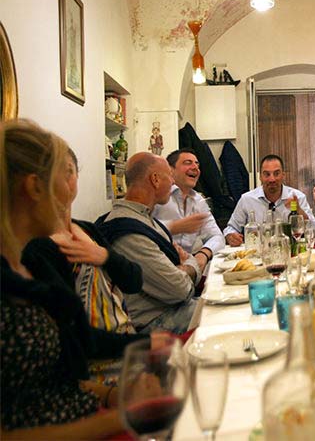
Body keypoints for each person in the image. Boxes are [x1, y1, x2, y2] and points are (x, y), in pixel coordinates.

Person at [0, 119, 147, 437]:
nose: (68, 190)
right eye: (60, 175)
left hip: (93, 407)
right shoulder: (30, 260)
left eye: (72, 173)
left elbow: (57, 378)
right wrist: (123, 417)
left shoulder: (20, 268)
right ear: (35, 187)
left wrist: (113, 398)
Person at [98, 152, 203, 334]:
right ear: (155, 179)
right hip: (154, 323)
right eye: (169, 176)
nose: (172, 182)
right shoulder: (127, 231)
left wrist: (184, 266)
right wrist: (189, 266)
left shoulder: (147, 221)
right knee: (225, 316)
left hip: (173, 307)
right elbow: (181, 289)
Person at [50, 148, 142, 335]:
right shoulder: (41, 243)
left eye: (69, 170)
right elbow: (74, 332)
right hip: (100, 356)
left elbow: (134, 280)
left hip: (126, 334)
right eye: (54, 170)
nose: (64, 178)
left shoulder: (86, 229)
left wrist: (105, 256)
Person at [153, 148, 224, 268]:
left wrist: (204, 254)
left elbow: (217, 236)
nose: (195, 167)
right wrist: (173, 227)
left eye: (197, 164)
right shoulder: (157, 196)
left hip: (189, 266)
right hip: (159, 266)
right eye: (187, 163)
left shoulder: (198, 200)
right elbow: (138, 230)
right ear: (170, 169)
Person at [224, 154, 315, 246]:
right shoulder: (247, 199)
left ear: (283, 175)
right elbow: (231, 228)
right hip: (257, 255)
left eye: (276, 173)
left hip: (290, 254)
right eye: (267, 174)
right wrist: (230, 236)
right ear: (260, 177)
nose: (272, 179)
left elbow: (314, 230)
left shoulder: (297, 197)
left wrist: (298, 210)